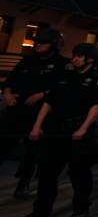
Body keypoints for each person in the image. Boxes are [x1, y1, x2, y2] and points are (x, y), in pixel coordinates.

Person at [14, 43, 98, 217]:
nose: (74, 59)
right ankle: (41, 211)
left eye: (79, 56)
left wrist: (83, 129)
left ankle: (81, 209)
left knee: (79, 176)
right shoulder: (64, 77)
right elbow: (48, 103)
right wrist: (37, 126)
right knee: (47, 175)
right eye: (74, 55)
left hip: (78, 134)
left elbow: (96, 107)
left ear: (90, 59)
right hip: (55, 132)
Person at [0, 27, 68, 199]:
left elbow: (62, 89)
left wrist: (41, 95)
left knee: (32, 152)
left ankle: (23, 183)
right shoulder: (27, 61)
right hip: (16, 111)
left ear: (53, 45)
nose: (37, 45)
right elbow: (10, 80)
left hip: (39, 115)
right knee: (3, 145)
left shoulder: (61, 64)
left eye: (42, 43)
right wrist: (7, 94)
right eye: (37, 42)